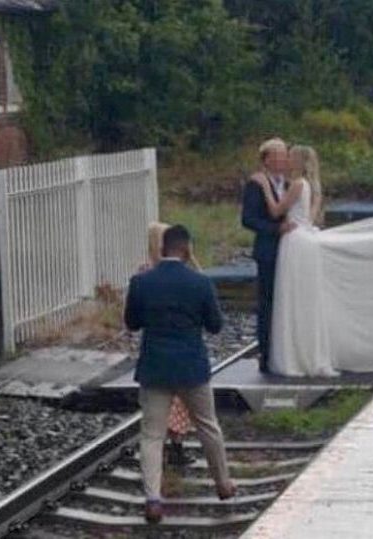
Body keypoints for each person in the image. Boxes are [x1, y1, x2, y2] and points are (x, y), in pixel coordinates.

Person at [125, 225, 236, 524]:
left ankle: (153, 500)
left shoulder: (141, 282)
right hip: (191, 367)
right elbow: (215, 325)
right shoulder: (200, 283)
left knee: (151, 434)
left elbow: (132, 323)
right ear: (187, 249)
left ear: (162, 249)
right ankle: (223, 484)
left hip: (155, 367)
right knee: (207, 426)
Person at [252, 145, 332, 376]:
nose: (286, 160)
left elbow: (277, 211)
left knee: (289, 297)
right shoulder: (310, 186)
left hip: (293, 241)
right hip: (304, 236)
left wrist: (265, 186)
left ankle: (291, 354)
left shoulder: (297, 184)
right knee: (301, 298)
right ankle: (303, 352)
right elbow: (309, 217)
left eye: (290, 157)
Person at [140, 222, 199, 466]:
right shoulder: (188, 274)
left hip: (155, 351)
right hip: (182, 351)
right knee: (178, 402)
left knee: (162, 405)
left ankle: (169, 446)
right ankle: (176, 445)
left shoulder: (144, 276)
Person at [241, 138, 296, 373]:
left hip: (293, 250)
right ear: (266, 160)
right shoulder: (256, 184)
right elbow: (248, 219)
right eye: (277, 156)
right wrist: (274, 229)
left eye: (284, 155)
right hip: (269, 250)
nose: (282, 160)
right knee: (268, 301)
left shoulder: (292, 183)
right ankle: (266, 351)